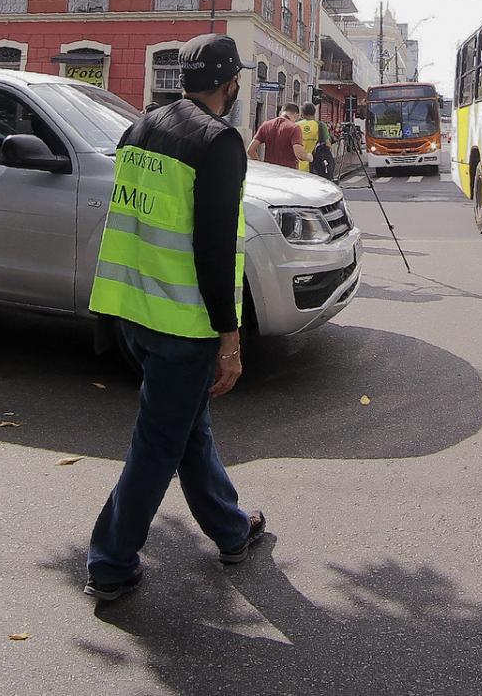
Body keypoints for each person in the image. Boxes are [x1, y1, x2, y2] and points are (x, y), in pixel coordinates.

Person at [84, 34, 266, 603]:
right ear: (230, 84)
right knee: (157, 447)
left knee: (187, 432)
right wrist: (229, 337)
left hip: (134, 314)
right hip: (182, 325)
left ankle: (232, 530)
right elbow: (214, 249)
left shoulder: (139, 129)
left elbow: (126, 225)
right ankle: (110, 563)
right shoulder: (218, 142)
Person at [249, 102, 302, 169]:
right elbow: (299, 153)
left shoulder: (266, 125)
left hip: (270, 172)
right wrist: (309, 157)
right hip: (289, 172)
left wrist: (261, 167)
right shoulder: (294, 128)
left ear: (281, 112)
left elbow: (250, 150)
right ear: (296, 115)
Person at [294, 103, 322, 175]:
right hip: (310, 165)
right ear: (314, 113)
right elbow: (327, 144)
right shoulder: (319, 125)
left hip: (295, 165)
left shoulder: (296, 125)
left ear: (302, 113)